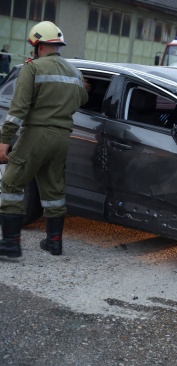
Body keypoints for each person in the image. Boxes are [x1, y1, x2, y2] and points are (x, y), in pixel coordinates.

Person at [0, 21, 89, 258]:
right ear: (58, 45)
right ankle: (54, 242)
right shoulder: (74, 72)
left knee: (11, 183)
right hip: (62, 137)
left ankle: (10, 243)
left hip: (37, 134)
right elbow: (82, 98)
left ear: (38, 45)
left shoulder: (33, 68)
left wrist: (4, 139)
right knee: (53, 189)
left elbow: (18, 109)